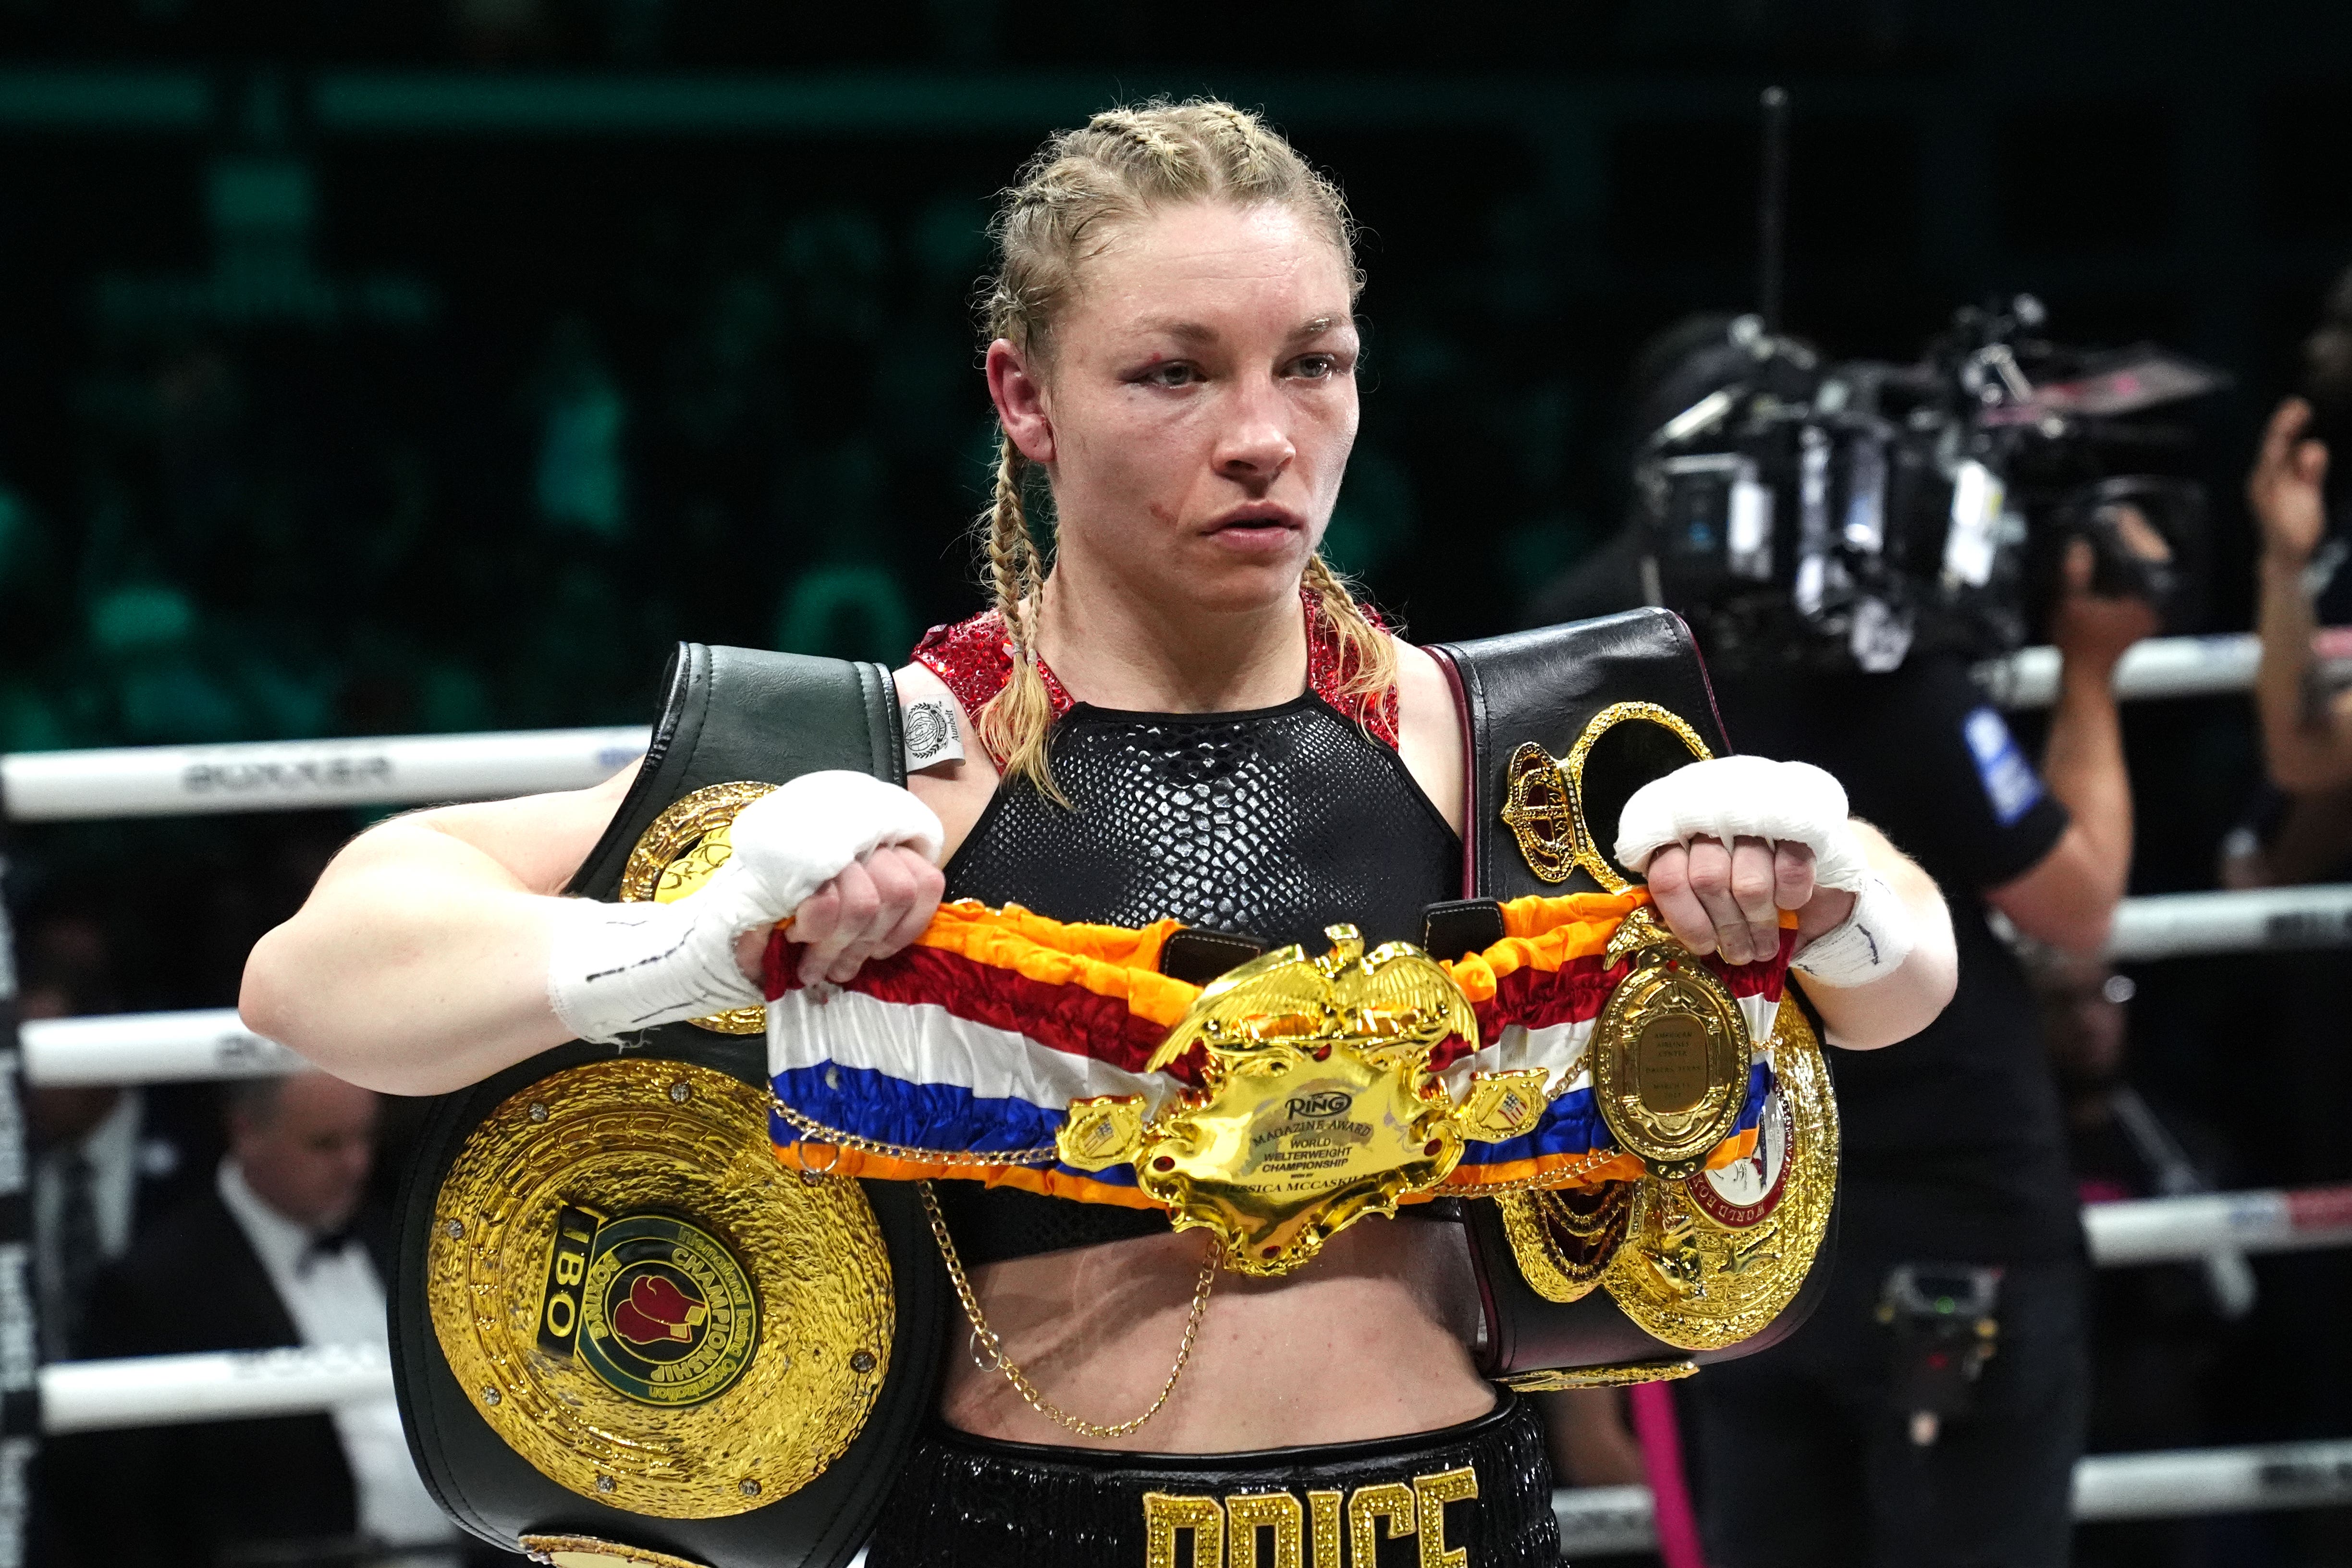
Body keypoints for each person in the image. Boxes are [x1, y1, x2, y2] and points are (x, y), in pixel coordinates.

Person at [241, 100, 1956, 1567]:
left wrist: (1822, 889)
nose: (1264, 436)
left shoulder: (1500, 747)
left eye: (1314, 364)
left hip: (1457, 1513)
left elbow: (1906, 987)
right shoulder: (905, 764)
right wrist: (683, 949)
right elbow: (314, 972)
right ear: (1026, 396)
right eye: (1174, 373)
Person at [1652, 537, 2156, 1567]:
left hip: (1746, 1217)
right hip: (1941, 1214)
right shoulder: (1909, 693)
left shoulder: (1641, 699)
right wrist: (2091, 675)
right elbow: (2079, 906)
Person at [41, 1071, 475, 1568]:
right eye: (325, 1144)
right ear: (247, 1132)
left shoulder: (408, 1241)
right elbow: (114, 1508)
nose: (356, 1164)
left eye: (364, 1138)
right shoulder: (159, 1287)